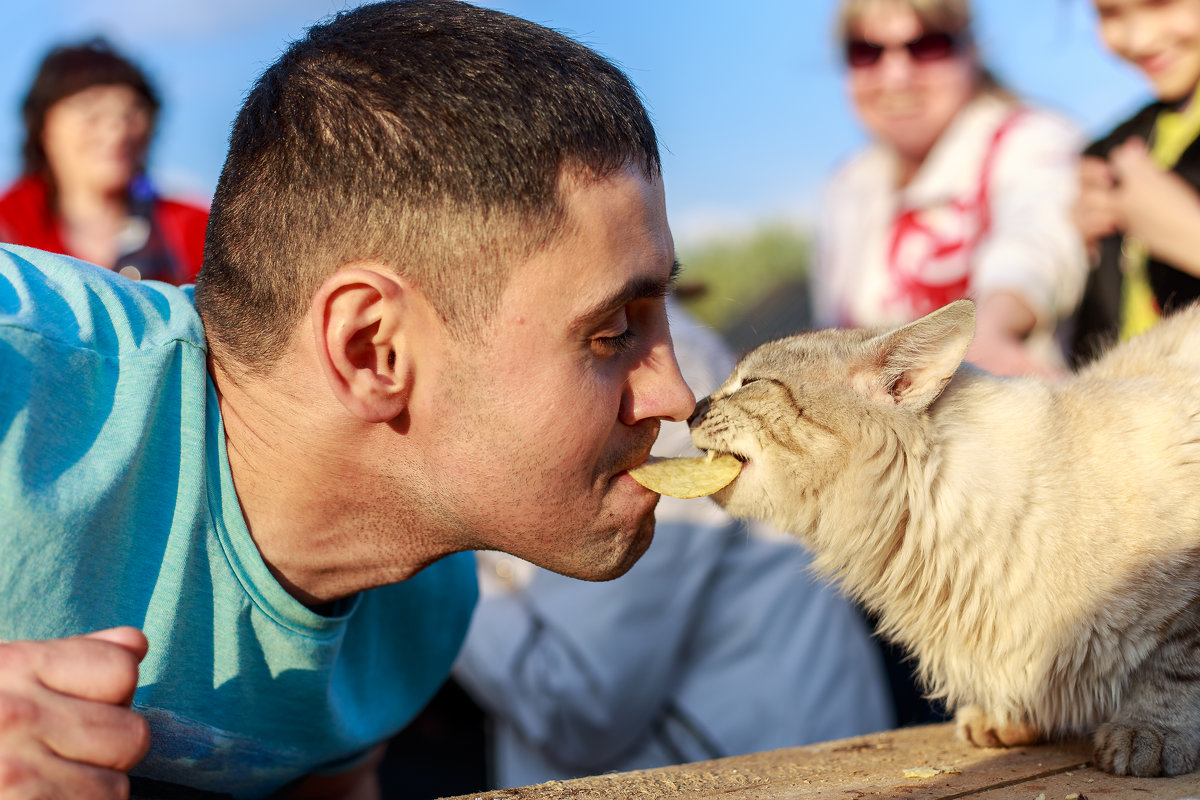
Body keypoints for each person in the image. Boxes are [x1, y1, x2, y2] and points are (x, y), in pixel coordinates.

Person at [0, 2, 697, 797]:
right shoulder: (19, 361)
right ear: (372, 349)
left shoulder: (424, 606)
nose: (675, 395)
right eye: (612, 332)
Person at [453, 297, 895, 789]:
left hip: (770, 776)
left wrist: (437, 560)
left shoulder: (637, 390)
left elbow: (584, 702)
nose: (683, 403)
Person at [813, 0, 1088, 377]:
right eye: (866, 52)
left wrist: (991, 328)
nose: (895, 76)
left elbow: (1039, 244)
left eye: (927, 46)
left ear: (971, 50)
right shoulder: (847, 186)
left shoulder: (1031, 139)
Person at [0, 38, 208, 284]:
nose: (116, 131)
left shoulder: (198, 232)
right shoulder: (7, 226)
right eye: (91, 111)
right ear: (44, 127)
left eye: (132, 112)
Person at [1071, 0, 1200, 364]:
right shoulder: (1108, 150)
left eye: (1161, 2)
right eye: (1108, 13)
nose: (1139, 39)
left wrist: (1187, 232)